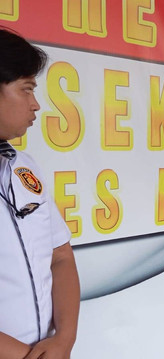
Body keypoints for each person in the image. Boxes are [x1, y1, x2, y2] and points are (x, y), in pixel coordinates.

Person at [0, 28, 81, 359]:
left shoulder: (24, 166)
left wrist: (64, 339)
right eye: (27, 90)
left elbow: (60, 256)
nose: (36, 105)